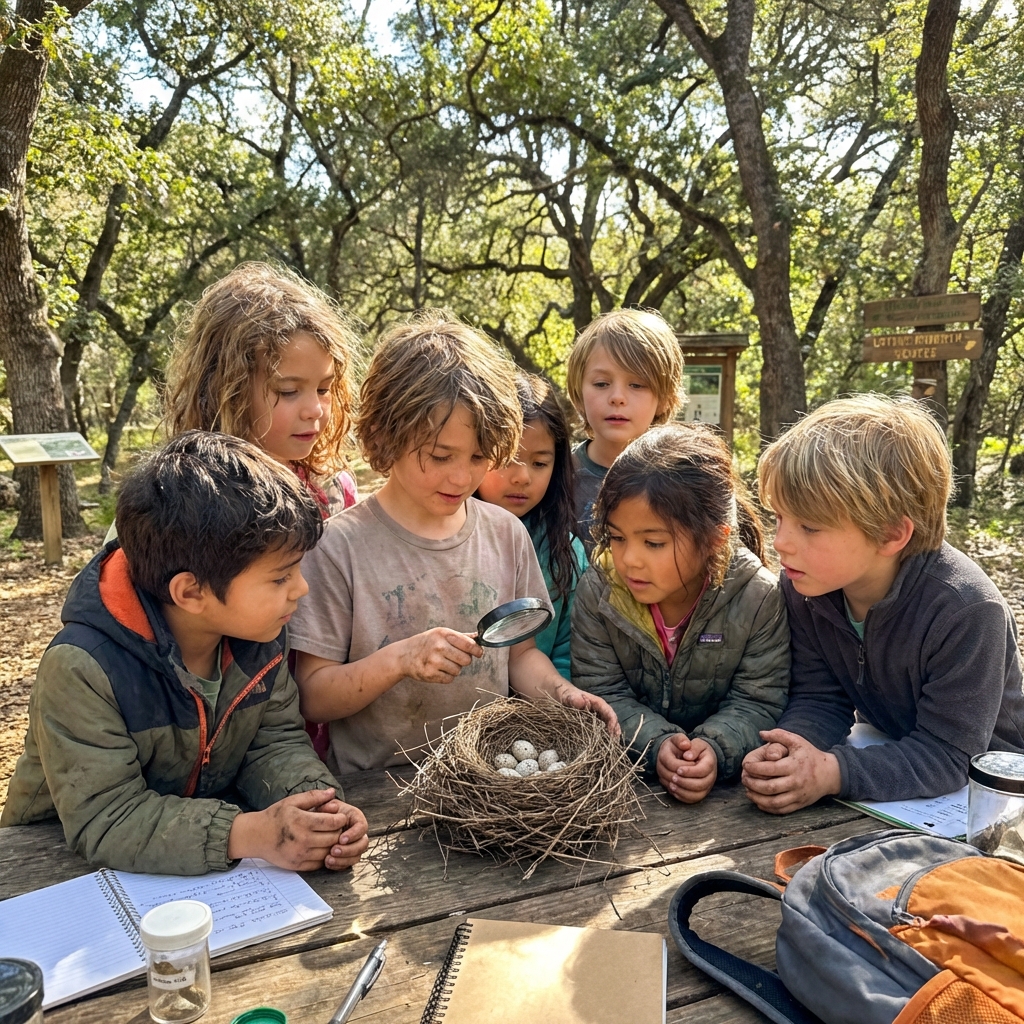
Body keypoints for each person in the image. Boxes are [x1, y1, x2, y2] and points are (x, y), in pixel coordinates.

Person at [2, 432, 369, 875]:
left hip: (197, 861)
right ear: (191, 591)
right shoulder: (83, 669)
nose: (301, 589)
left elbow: (274, 743)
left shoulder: (260, 634)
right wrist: (250, 834)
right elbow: (107, 816)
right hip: (50, 865)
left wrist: (317, 807)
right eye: (280, 578)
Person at [290, 311, 619, 776]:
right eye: (440, 456)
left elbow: (520, 655)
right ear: (386, 436)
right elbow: (314, 694)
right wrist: (400, 659)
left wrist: (562, 694)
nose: (462, 477)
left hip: (482, 787)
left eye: (481, 457)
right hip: (378, 791)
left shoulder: (506, 534)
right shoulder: (337, 547)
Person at [742, 395, 1024, 814]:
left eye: (810, 527)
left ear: (892, 534)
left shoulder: (967, 611)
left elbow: (950, 756)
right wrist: (791, 751)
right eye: (778, 518)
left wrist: (831, 771)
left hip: (991, 795)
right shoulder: (809, 588)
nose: (781, 542)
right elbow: (821, 696)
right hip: (893, 760)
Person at [571, 423, 789, 803]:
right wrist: (657, 744)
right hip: (627, 791)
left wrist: (715, 749)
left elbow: (759, 700)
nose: (628, 560)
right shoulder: (599, 590)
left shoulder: (757, 598)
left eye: (653, 542)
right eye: (617, 537)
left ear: (715, 539)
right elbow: (601, 692)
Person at [163, 261, 359, 516]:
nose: (315, 410)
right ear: (228, 392)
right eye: (288, 391)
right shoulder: (179, 503)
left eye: (324, 389)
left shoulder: (332, 492)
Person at [476, 375, 588, 679]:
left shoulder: (566, 550)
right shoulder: (450, 535)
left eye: (539, 463)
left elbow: (570, 648)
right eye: (508, 458)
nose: (523, 477)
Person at [565, 309, 685, 548]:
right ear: (578, 394)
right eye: (601, 384)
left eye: (636, 384)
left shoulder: (684, 479)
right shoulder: (557, 476)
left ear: (664, 397)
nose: (617, 397)